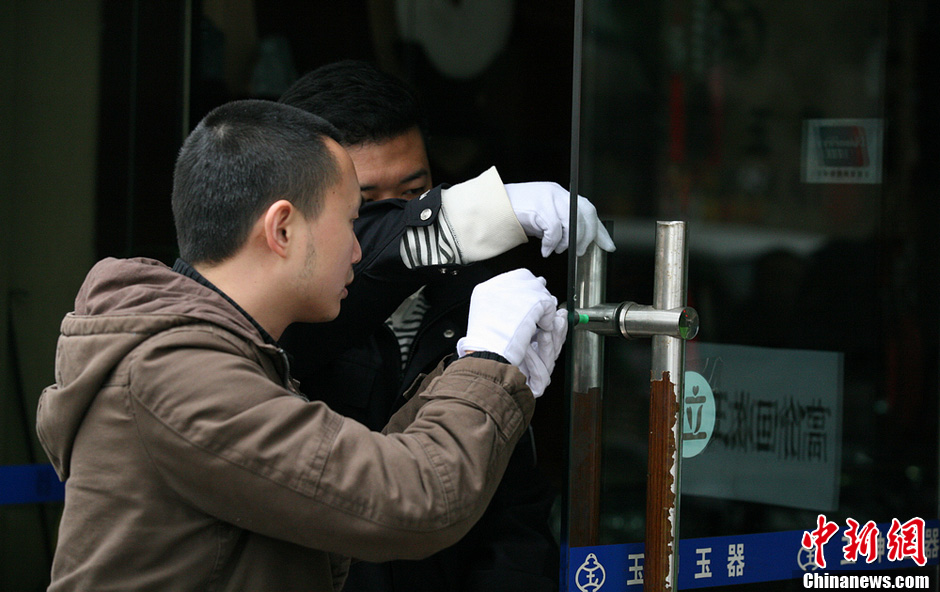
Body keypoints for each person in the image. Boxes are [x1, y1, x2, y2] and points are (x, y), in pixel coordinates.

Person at [36, 99, 569, 592]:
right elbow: (416, 498)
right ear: (283, 229)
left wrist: (485, 371)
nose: (360, 251)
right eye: (352, 221)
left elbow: (352, 489)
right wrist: (487, 360)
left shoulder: (211, 352)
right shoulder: (176, 370)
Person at [277, 60, 614, 591]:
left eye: (416, 193)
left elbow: (515, 513)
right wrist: (466, 218)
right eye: (364, 206)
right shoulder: (274, 315)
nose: (397, 216)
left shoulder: (480, 297)